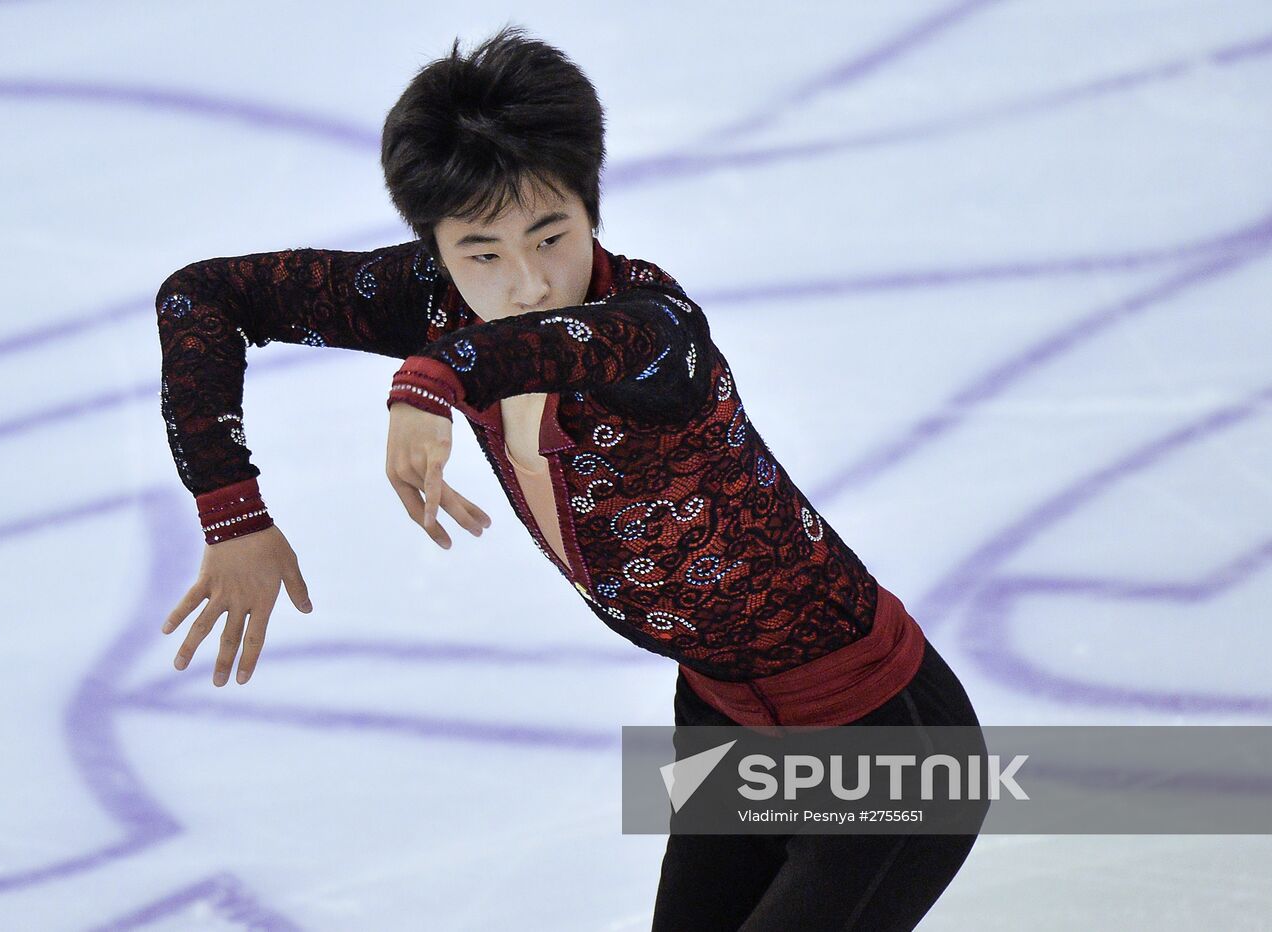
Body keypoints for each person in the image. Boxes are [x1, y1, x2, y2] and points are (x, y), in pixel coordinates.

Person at [154, 23, 987, 930]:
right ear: (435, 249)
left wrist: (429, 379)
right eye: (482, 252)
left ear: (592, 207)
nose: (530, 282)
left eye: (552, 235)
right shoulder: (432, 301)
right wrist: (231, 511)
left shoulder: (657, 333)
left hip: (884, 737)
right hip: (720, 713)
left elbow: (546, 343)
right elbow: (202, 296)